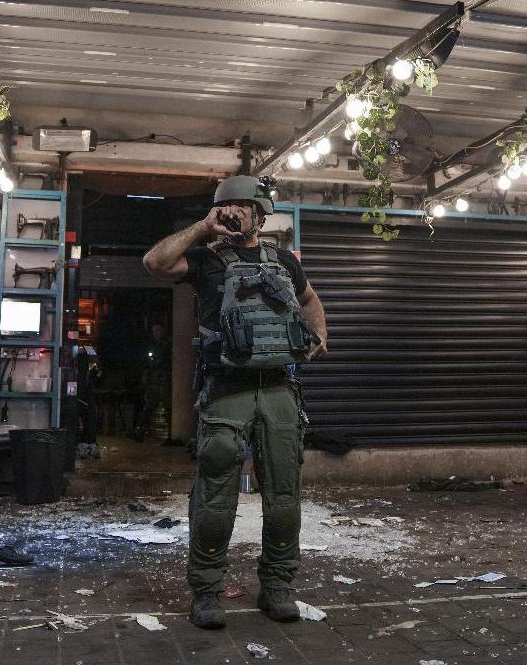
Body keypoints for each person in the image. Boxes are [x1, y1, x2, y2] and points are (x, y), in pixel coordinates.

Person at [143, 175, 328, 629]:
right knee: (215, 496)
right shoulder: (205, 261)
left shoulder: (284, 260)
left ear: (261, 215)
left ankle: (279, 585)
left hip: (280, 389)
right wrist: (203, 228)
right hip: (226, 388)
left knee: (284, 494)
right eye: (229, 206)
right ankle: (207, 591)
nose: (236, 213)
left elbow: (309, 300)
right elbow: (155, 263)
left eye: (245, 206)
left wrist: (320, 335)